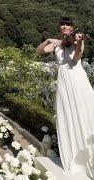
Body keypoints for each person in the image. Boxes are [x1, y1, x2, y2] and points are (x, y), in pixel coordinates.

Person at [36, 17, 94, 178]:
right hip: (63, 79)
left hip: (75, 77)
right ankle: (72, 152)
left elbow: (76, 58)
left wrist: (80, 42)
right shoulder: (57, 43)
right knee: (67, 114)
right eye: (63, 24)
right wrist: (49, 40)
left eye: (68, 24)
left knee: (84, 110)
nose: (65, 26)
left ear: (72, 27)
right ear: (59, 27)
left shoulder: (75, 40)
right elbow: (39, 51)